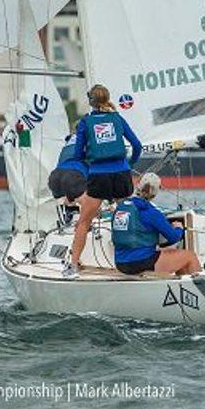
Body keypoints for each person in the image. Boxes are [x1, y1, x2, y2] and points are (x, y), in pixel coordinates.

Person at [64, 84, 142, 278]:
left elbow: (77, 153)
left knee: (83, 222)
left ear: (91, 101)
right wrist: (128, 164)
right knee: (130, 217)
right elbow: (137, 145)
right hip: (122, 174)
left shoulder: (85, 123)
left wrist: (89, 169)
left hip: (98, 176)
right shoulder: (118, 118)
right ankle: (138, 262)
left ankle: (73, 266)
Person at [111, 173, 201, 276]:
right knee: (189, 256)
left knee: (172, 257)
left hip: (121, 263)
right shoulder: (151, 212)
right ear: (155, 193)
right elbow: (174, 237)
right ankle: (204, 290)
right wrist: (178, 228)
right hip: (141, 263)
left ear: (138, 186)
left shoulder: (121, 208)